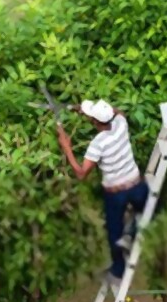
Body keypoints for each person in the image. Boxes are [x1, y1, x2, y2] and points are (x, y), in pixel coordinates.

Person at [56, 99, 148, 288]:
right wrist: (85, 110)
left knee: (114, 232)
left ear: (94, 122)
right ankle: (131, 232)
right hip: (136, 185)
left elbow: (81, 174)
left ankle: (118, 270)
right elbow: (119, 111)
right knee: (149, 211)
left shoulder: (98, 144)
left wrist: (67, 148)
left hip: (116, 194)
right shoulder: (121, 124)